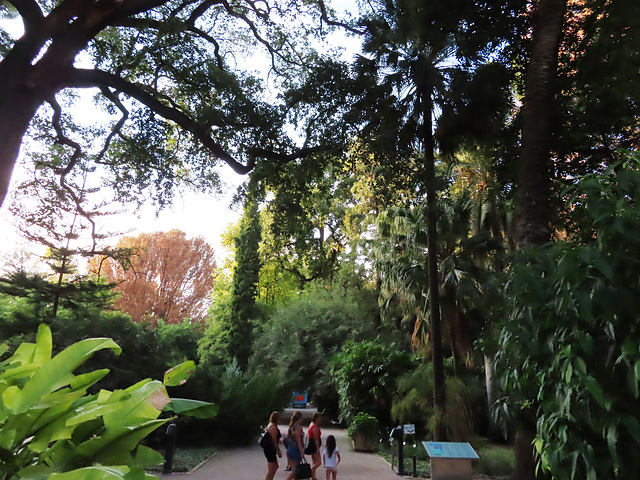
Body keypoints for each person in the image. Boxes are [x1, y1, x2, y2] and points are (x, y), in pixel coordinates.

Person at [285, 411, 305, 480]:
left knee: (296, 471)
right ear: (299, 418)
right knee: (294, 471)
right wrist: (302, 451)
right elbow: (299, 441)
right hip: (295, 449)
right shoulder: (298, 428)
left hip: (291, 448)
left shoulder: (292, 427)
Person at [263, 411, 282, 480]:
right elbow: (274, 440)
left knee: (273, 467)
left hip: (268, 448)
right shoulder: (273, 427)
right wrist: (278, 450)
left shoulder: (269, 425)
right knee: (273, 467)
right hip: (270, 449)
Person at [307, 412, 323, 480]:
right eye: (320, 418)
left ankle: (313, 477)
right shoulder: (315, 427)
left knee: (314, 461)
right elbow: (316, 439)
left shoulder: (311, 424)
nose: (320, 419)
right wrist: (318, 449)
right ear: (317, 418)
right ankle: (309, 472)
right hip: (314, 445)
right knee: (318, 462)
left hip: (311, 444)